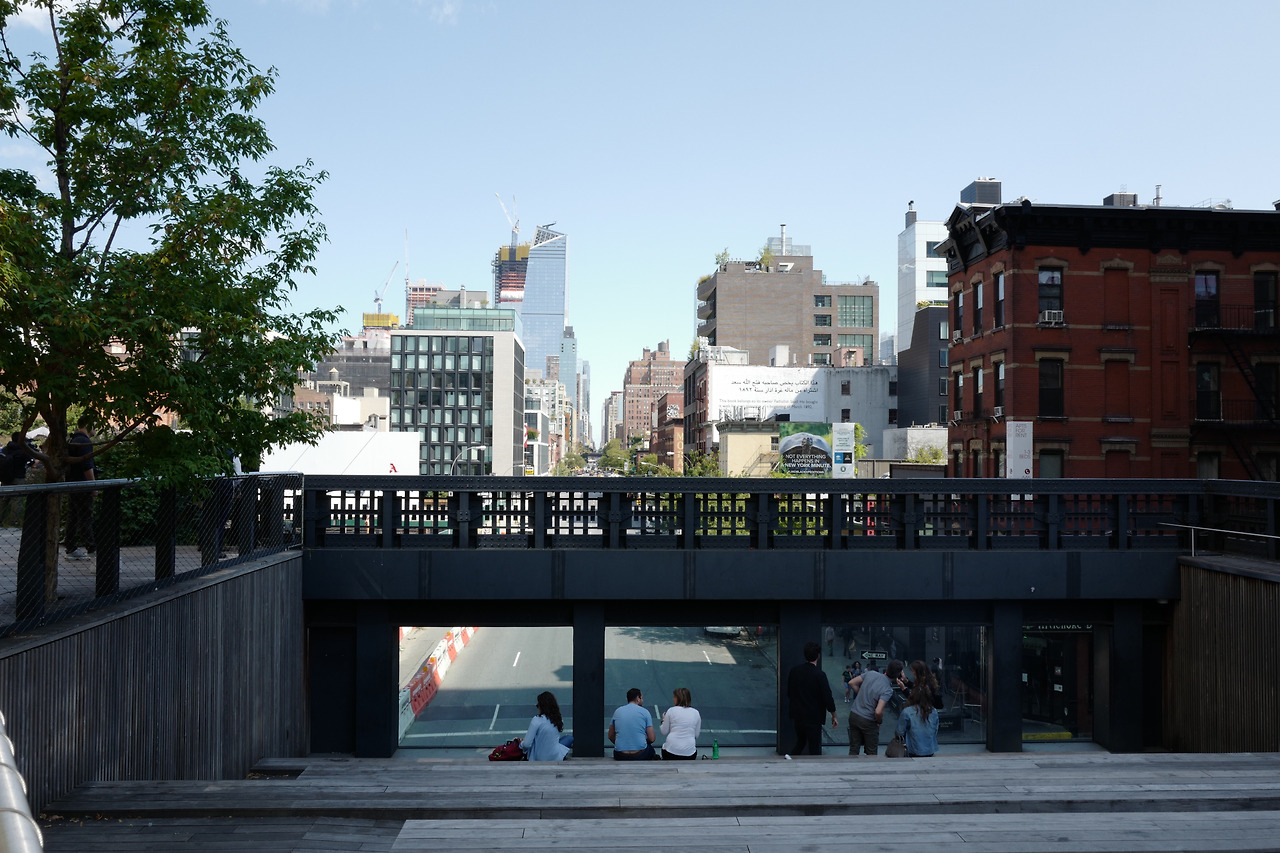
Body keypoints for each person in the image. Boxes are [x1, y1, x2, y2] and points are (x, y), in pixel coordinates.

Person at [786, 641, 838, 755]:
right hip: (813, 717)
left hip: (798, 715)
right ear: (818, 656)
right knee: (814, 747)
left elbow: (789, 692)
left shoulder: (795, 671)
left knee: (801, 742)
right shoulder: (820, 675)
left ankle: (789, 760)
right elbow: (827, 696)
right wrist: (834, 714)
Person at [846, 658, 905, 756]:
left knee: (853, 749)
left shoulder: (871, 673)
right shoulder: (887, 689)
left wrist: (861, 694)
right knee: (871, 752)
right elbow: (878, 711)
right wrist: (879, 721)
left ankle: (851, 765)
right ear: (898, 674)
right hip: (868, 720)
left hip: (854, 715)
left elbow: (851, 682)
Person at [64, 417, 97, 560]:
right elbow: (87, 466)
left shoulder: (73, 440)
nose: (96, 428)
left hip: (72, 484)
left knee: (73, 517)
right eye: (95, 425)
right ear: (88, 425)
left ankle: (71, 547)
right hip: (82, 485)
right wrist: (93, 485)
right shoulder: (84, 442)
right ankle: (92, 549)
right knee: (85, 517)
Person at [517, 691, 571, 761]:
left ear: (542, 706)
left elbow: (527, 744)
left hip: (538, 758)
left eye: (538, 705)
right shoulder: (558, 719)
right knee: (569, 738)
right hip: (555, 757)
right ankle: (562, 755)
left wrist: (520, 744)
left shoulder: (537, 719)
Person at [608, 687, 655, 760]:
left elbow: (610, 735)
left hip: (620, 755)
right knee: (651, 750)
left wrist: (622, 745)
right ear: (638, 698)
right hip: (640, 754)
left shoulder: (617, 711)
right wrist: (644, 742)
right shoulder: (645, 712)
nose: (642, 700)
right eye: (642, 698)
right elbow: (652, 738)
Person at [896, 682, 940, 758]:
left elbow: (899, 732)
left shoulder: (907, 712)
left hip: (913, 750)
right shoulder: (933, 711)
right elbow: (935, 730)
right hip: (930, 750)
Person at [659, 686, 701, 760]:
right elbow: (696, 735)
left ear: (678, 698)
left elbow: (664, 731)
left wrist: (663, 721)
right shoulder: (696, 713)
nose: (673, 699)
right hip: (690, 754)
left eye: (674, 697)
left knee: (665, 748)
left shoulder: (671, 711)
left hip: (670, 753)